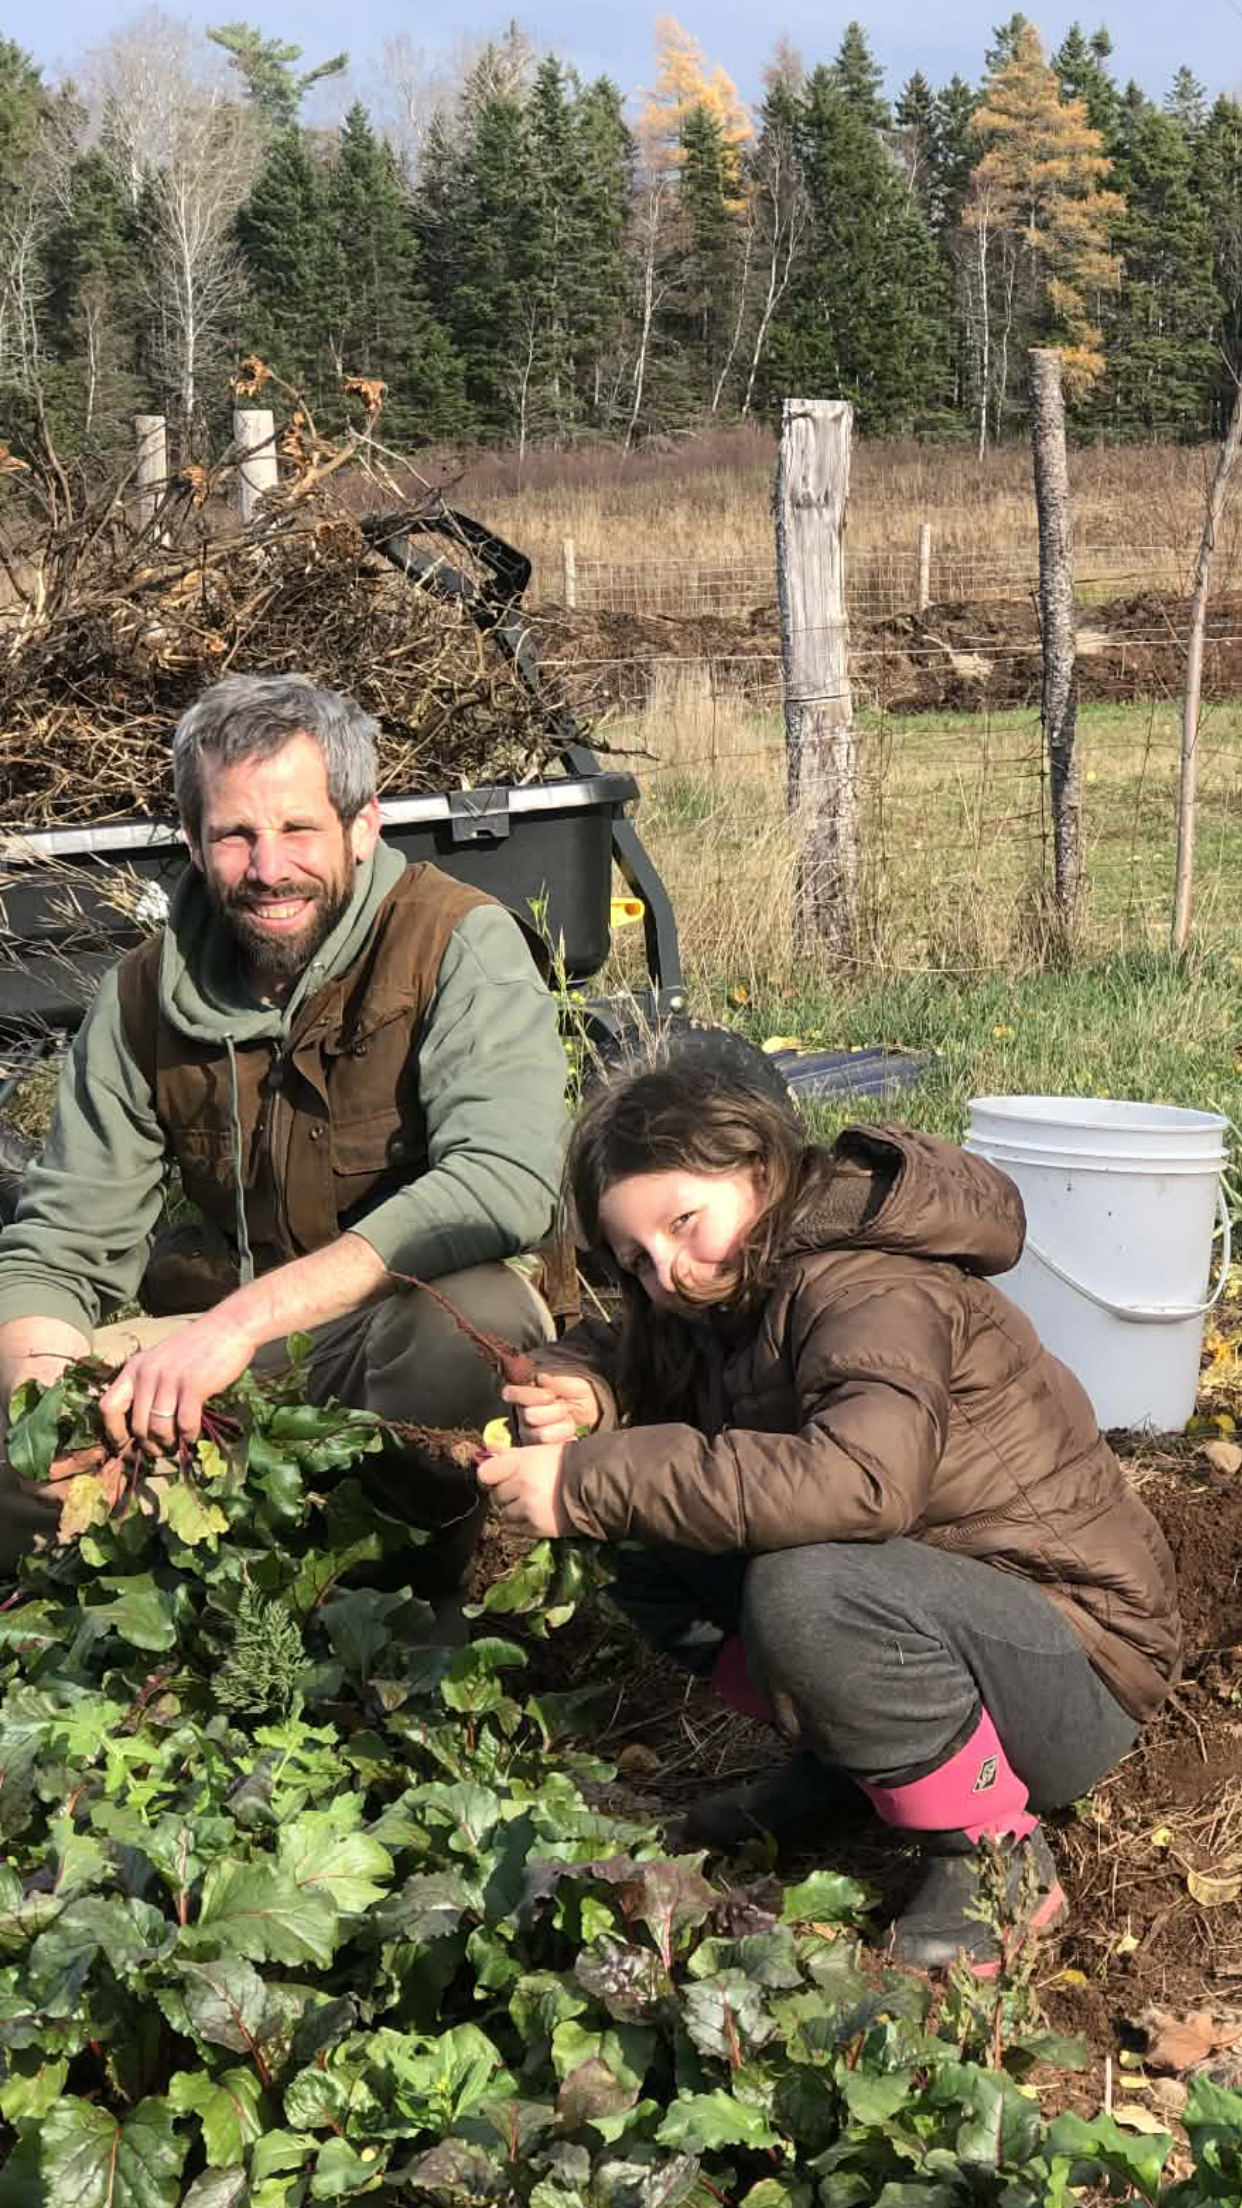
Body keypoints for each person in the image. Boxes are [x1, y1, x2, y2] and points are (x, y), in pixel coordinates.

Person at [478, 1065, 1182, 1971]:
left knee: (803, 1586)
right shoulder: (732, 1284)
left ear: (759, 1165)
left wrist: (584, 1479)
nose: (671, 1273)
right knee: (648, 1529)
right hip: (942, 1620)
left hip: (1076, 1662)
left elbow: (862, 1483)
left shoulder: (868, 1285)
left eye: (683, 1224)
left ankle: (992, 1848)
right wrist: (586, 1392)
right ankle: (852, 1764)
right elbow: (639, 1358)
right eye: (637, 1259)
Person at [0, 673, 569, 1633]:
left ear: (363, 825)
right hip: (221, 1360)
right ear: (192, 843)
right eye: (234, 835)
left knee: (477, 1323)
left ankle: (403, 1587)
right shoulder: (143, 996)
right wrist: (44, 1405)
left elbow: (503, 1184)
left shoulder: (454, 942)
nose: (269, 867)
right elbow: (60, 1243)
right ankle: (212, 1594)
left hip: (375, 1337)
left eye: (299, 830)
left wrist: (234, 1325)